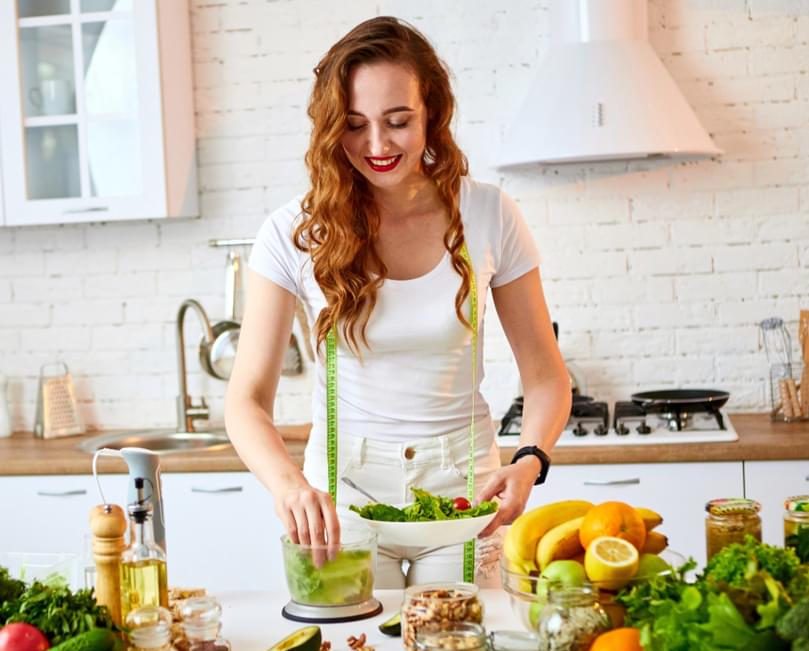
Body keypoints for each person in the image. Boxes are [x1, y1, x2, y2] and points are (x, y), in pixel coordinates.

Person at [225, 16, 571, 588]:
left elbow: (546, 377)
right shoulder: (294, 232)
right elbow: (246, 401)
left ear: (430, 113)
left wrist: (529, 460)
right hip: (338, 504)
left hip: (466, 497)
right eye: (356, 125)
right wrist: (289, 486)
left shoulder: (489, 215)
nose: (378, 146)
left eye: (398, 121)